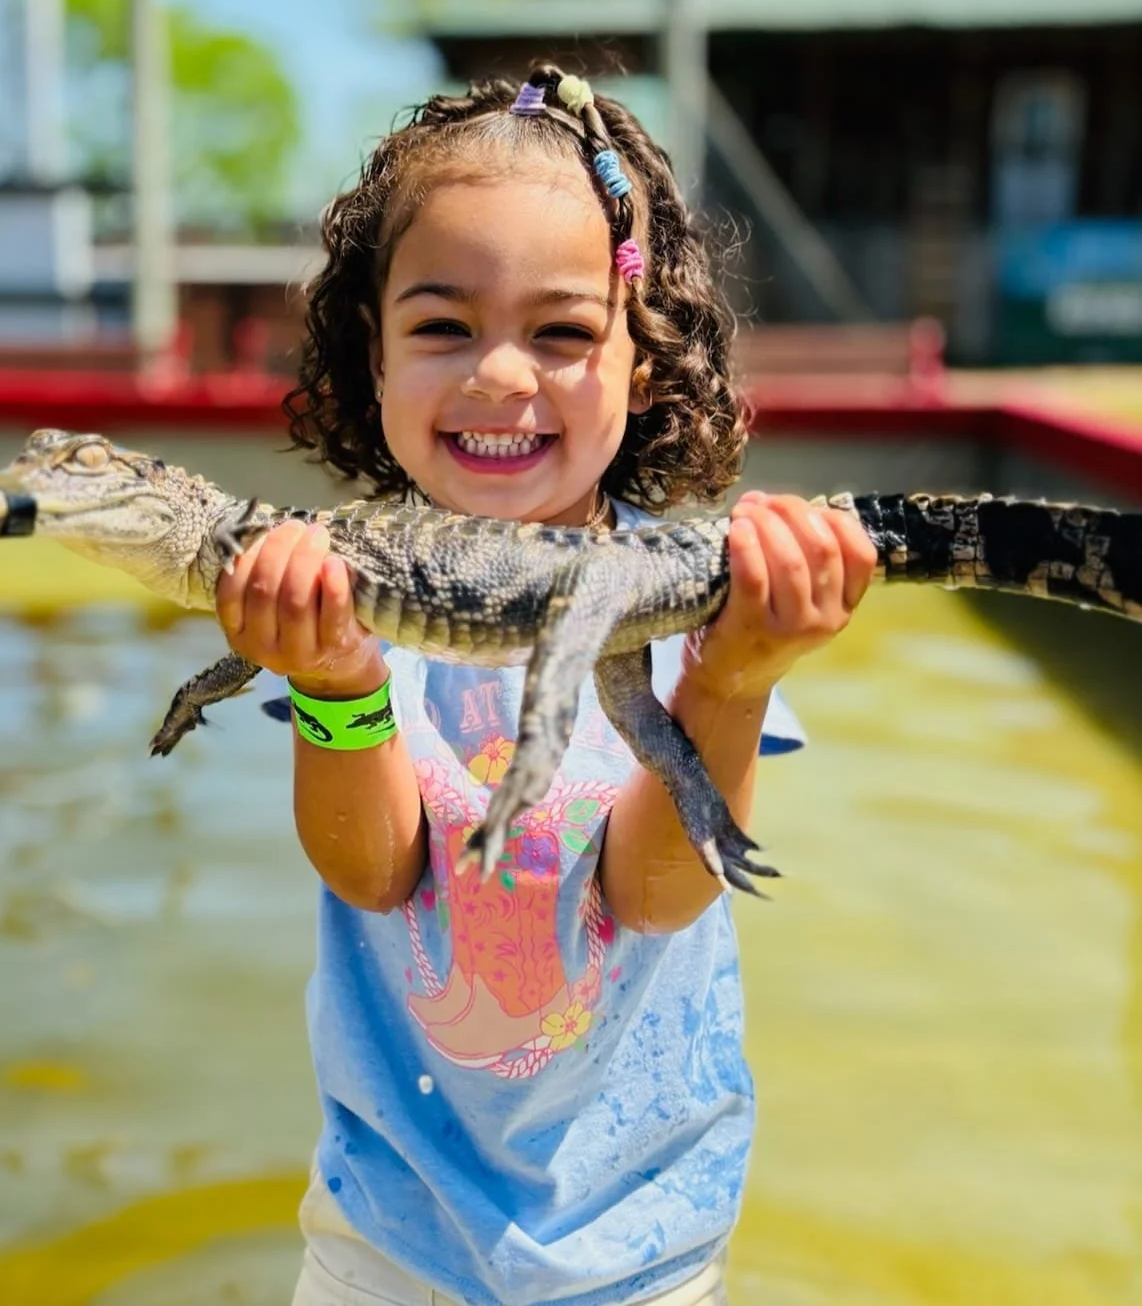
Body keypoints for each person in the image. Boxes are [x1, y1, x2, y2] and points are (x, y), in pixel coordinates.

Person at [215, 64, 878, 1306]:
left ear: (641, 360)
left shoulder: (701, 603)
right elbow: (373, 869)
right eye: (443, 324)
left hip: (643, 1252)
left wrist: (728, 685)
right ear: (373, 353)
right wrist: (335, 682)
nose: (502, 377)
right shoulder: (345, 588)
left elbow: (650, 893)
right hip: (383, 1246)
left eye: (563, 330)